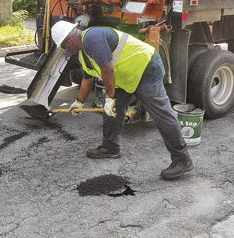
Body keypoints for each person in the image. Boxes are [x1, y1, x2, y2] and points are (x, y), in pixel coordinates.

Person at [51, 20, 194, 180]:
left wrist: (110, 98)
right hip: (125, 77)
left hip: (146, 68)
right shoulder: (84, 55)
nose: (65, 50)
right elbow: (87, 79)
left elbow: (107, 69)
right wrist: (79, 102)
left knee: (161, 114)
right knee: (111, 110)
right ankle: (110, 147)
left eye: (63, 47)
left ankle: (182, 159)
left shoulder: (93, 37)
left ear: (69, 40)